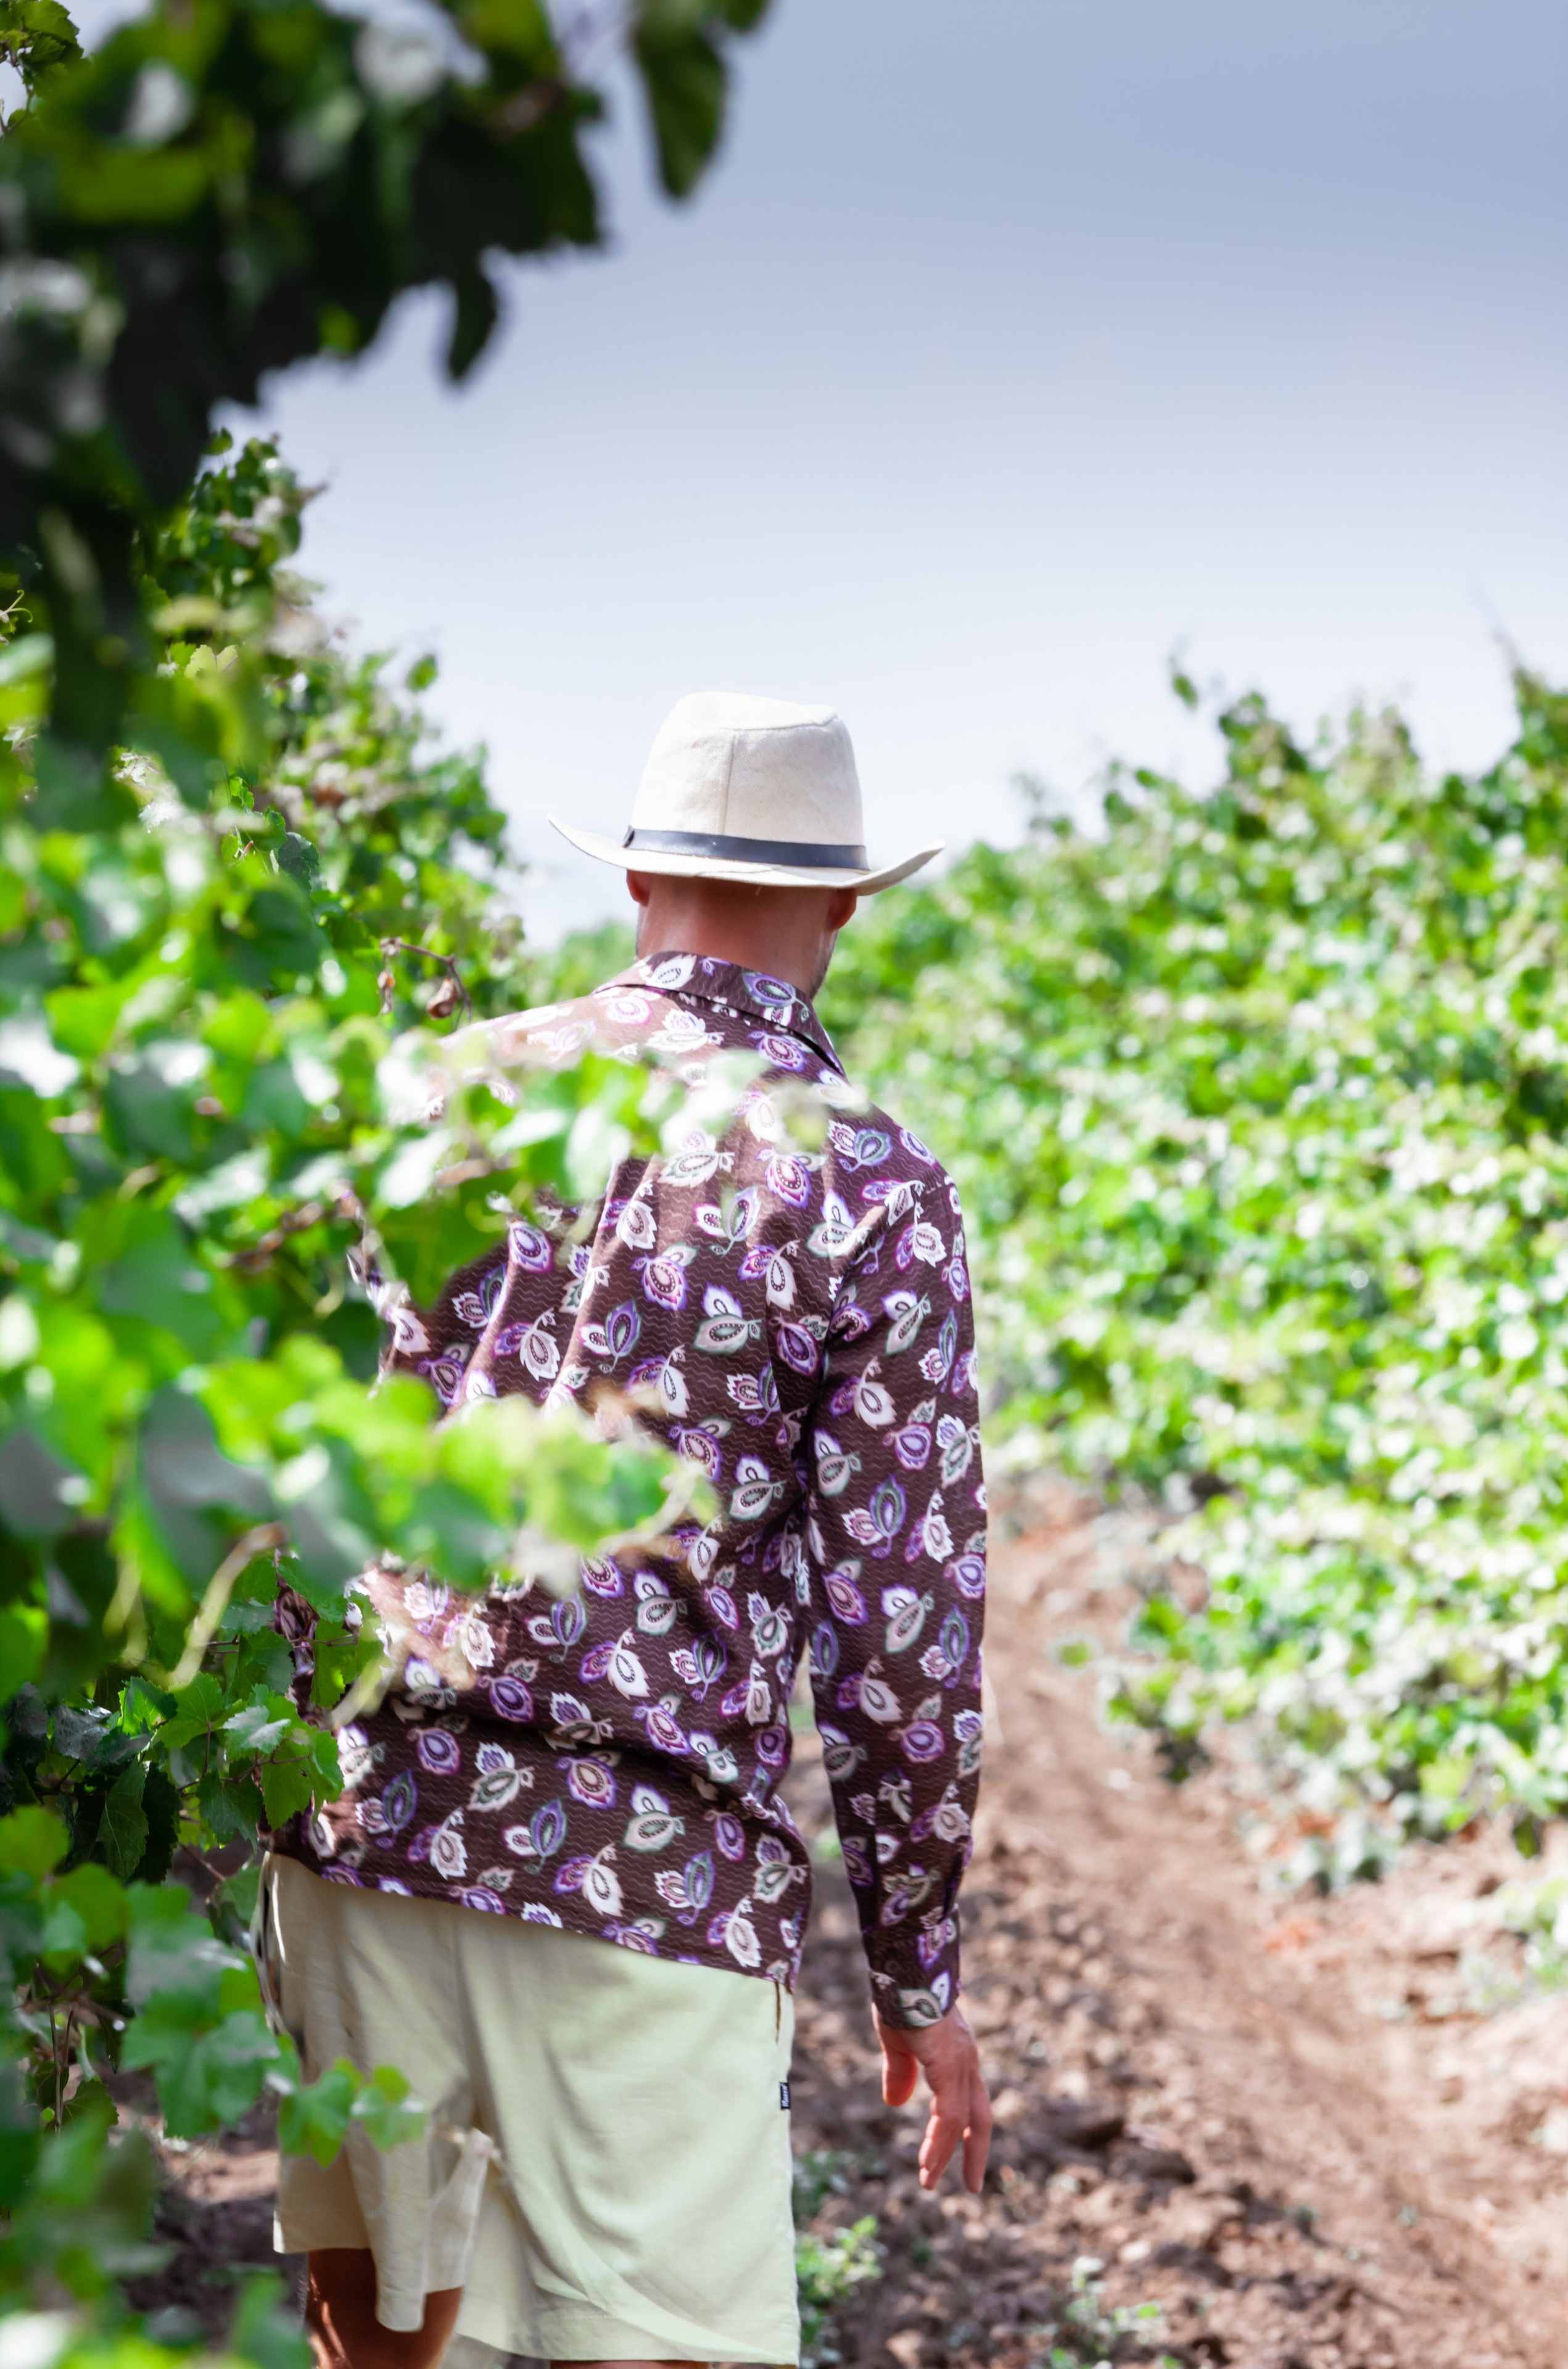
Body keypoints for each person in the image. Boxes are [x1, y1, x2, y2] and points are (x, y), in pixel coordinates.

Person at [262, 693, 993, 2369]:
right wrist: (918, 1965)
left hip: (370, 1833)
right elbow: (899, 1631)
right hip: (650, 1876)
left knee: (393, 2340)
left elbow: (274, 1438)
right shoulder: (870, 1183)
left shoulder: (440, 1092)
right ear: (847, 907)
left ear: (639, 880)